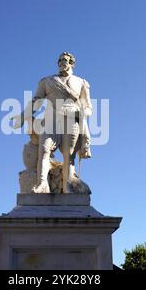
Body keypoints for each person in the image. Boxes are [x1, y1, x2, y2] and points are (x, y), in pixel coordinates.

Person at [12, 52, 92, 193]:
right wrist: (22, 116)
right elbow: (36, 102)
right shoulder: (47, 81)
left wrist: (84, 113)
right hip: (52, 119)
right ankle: (42, 184)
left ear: (72, 63)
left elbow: (88, 106)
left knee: (69, 154)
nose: (62, 62)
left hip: (72, 118)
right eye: (60, 60)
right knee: (44, 149)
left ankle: (68, 186)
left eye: (65, 60)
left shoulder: (82, 83)